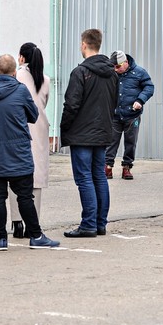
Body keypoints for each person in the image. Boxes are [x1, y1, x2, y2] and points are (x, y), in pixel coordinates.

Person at [0, 54, 60, 251]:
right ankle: (36, 236)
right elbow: (33, 116)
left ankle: (0, 239)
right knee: (25, 196)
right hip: (18, 151)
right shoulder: (20, 89)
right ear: (14, 73)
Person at [60, 29, 118, 238]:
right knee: (99, 177)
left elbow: (71, 104)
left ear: (84, 44)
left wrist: (64, 127)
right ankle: (100, 223)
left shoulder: (80, 72)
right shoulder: (112, 72)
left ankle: (88, 224)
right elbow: (114, 102)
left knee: (84, 178)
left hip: (82, 133)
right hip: (102, 131)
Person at [10, 42, 51, 239]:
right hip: (40, 128)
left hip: (19, 127)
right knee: (36, 177)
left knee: (16, 175)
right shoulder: (45, 79)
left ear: (22, 58)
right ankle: (33, 223)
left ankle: (17, 221)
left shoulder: (16, 76)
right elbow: (44, 102)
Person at [104, 49, 154, 180]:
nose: (115, 69)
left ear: (125, 62)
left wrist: (140, 100)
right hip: (115, 114)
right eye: (113, 66)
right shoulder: (111, 73)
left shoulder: (139, 72)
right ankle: (108, 167)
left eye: (118, 66)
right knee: (111, 141)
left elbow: (149, 87)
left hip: (132, 115)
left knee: (131, 142)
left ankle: (127, 167)